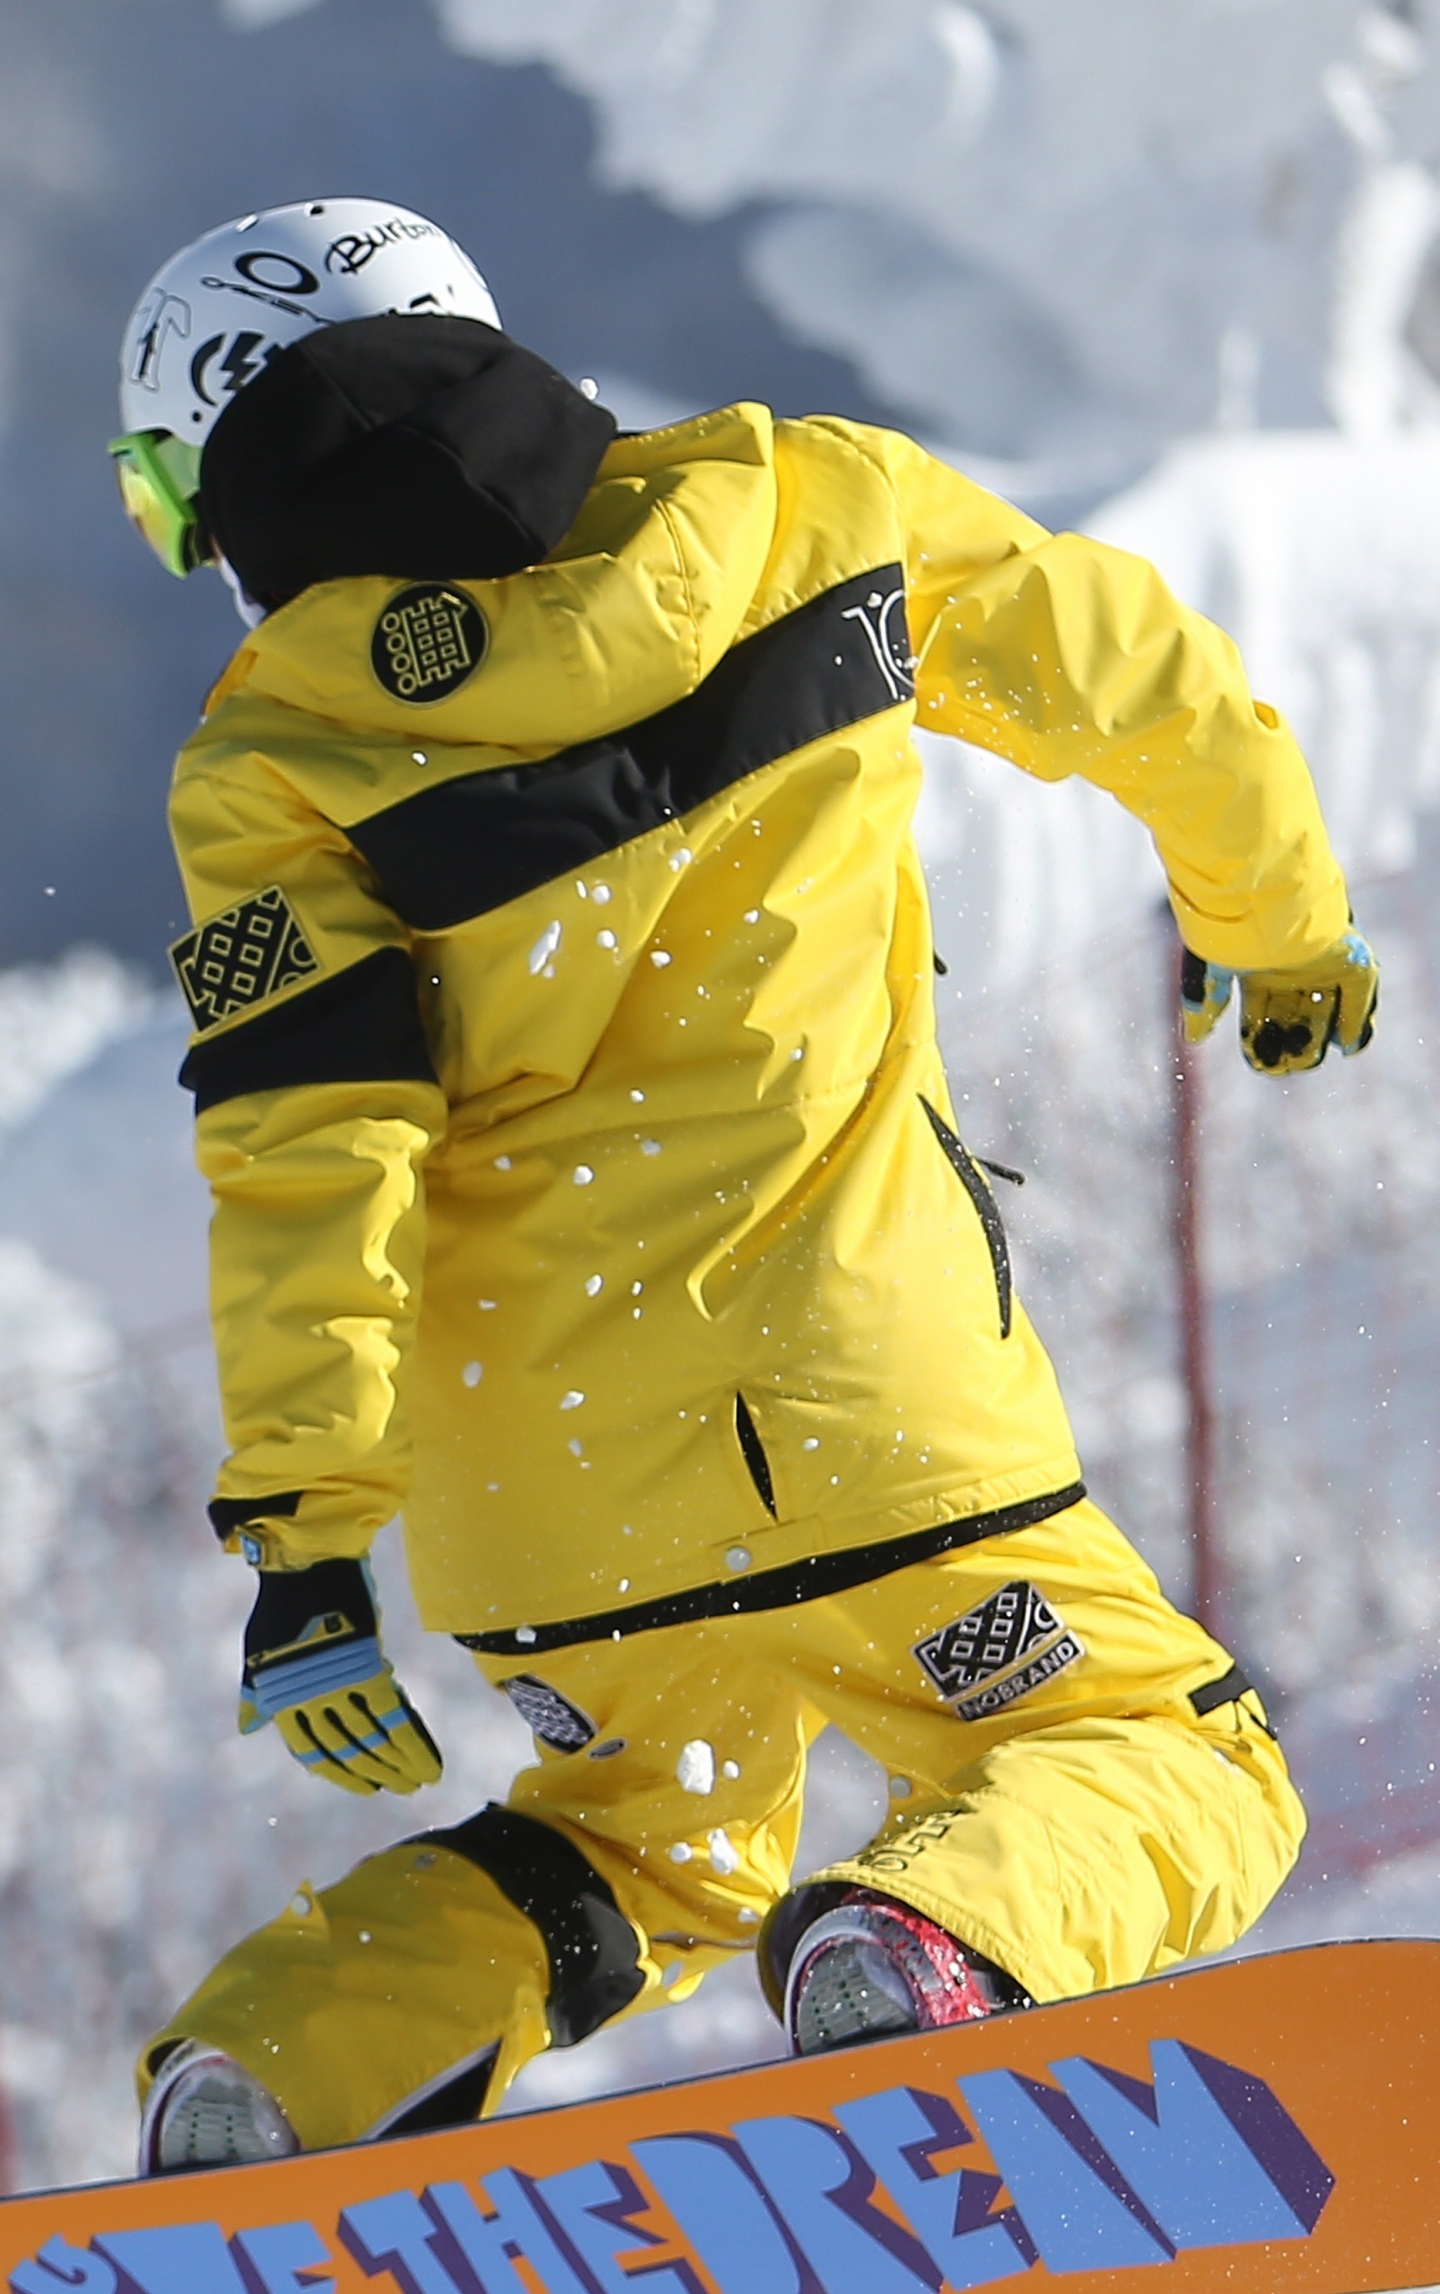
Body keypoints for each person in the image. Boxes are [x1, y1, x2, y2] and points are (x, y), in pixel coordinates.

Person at [110, 197, 1378, 2172]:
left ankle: (282, 2073)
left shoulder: (271, 754)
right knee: (1163, 1749)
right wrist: (1279, 926)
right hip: (867, 1414)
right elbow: (1140, 673)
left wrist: (304, 1533)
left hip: (543, 1499)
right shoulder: (807, 506)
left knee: (638, 1838)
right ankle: (926, 1952)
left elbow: (305, 1149)